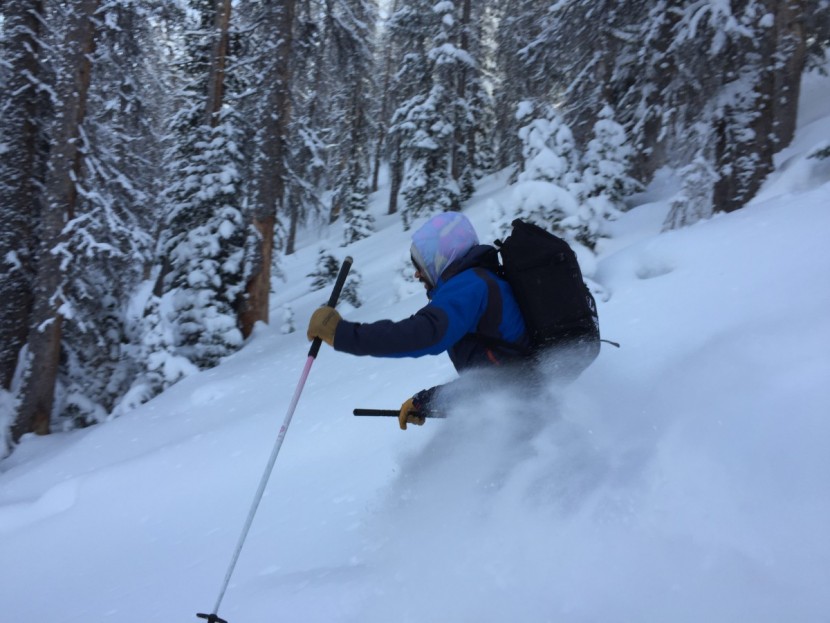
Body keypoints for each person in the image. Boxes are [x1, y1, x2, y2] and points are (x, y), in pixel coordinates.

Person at [306, 211, 532, 430]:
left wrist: (341, 333)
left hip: (524, 416)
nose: (417, 274)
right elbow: (493, 379)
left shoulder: (471, 285)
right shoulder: (479, 281)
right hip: (522, 407)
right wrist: (424, 401)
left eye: (421, 264)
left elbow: (423, 334)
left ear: (440, 258)